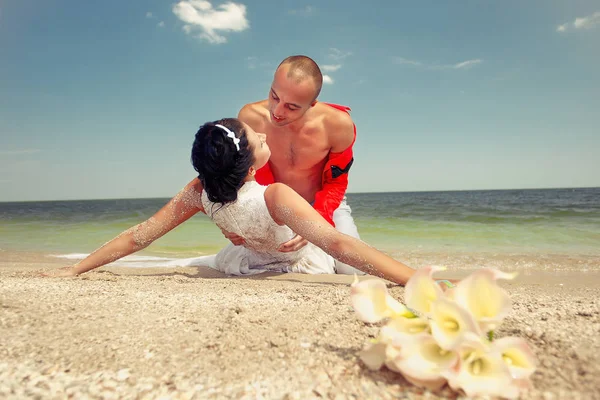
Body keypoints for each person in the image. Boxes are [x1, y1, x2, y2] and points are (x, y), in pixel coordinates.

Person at [42, 118, 417, 285]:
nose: (261, 132)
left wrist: (75, 270)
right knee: (344, 264)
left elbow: (141, 235)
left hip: (245, 263)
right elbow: (336, 242)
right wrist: (412, 279)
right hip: (298, 264)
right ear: (250, 166)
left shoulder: (201, 192)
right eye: (257, 139)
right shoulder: (277, 195)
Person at [228, 55, 362, 275]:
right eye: (274, 96)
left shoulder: (338, 125)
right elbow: (243, 174)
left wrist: (316, 222)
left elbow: (336, 184)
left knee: (351, 270)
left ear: (312, 104)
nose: (278, 111)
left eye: (291, 107)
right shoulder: (250, 117)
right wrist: (237, 218)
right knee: (263, 267)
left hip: (323, 204)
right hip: (272, 205)